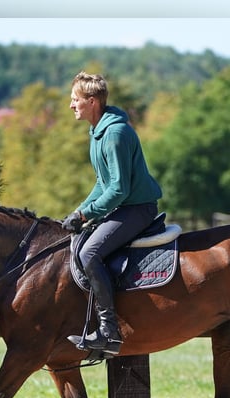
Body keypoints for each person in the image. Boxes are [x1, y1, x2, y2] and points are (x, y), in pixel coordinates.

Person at [61, 71, 163, 356]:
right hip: (123, 206)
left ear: (92, 101)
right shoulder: (98, 132)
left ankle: (109, 330)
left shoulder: (115, 134)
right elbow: (102, 184)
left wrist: (85, 215)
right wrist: (80, 211)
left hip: (136, 209)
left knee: (89, 254)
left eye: (75, 100)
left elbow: (118, 188)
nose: (71, 105)